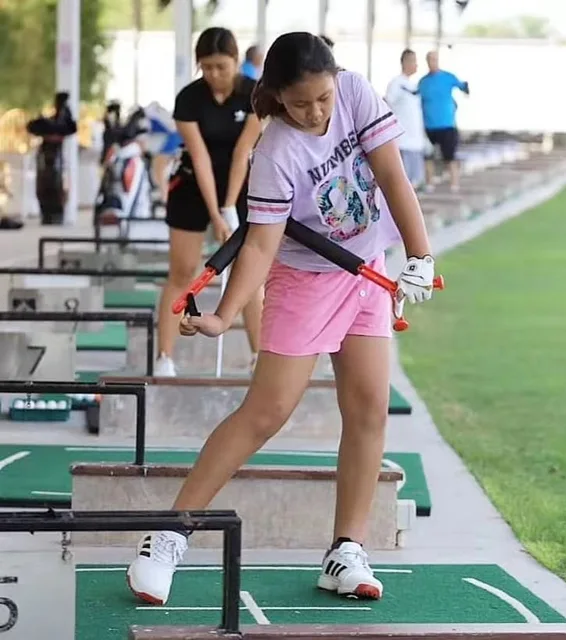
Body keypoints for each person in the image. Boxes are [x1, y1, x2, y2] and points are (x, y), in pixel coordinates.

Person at [126, 31, 435, 605]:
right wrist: (223, 316)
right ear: (275, 96)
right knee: (266, 411)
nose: (315, 112)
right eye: (300, 103)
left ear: (335, 80)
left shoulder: (357, 94)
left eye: (322, 98)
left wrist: (419, 255)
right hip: (303, 283)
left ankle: (346, 549)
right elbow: (263, 248)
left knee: (368, 407)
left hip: (363, 271)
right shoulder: (273, 152)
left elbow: (393, 176)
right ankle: (168, 535)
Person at [154, 27, 264, 376]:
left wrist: (229, 207)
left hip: (243, 185)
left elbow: (242, 152)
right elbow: (199, 157)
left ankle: (258, 357)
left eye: (222, 66)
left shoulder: (256, 95)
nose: (215, 74)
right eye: (207, 67)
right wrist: (216, 215)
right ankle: (165, 357)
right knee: (183, 271)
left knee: (249, 274)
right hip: (191, 185)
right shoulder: (189, 98)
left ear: (236, 61)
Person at [417, 50, 469, 192]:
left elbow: (463, 87)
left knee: (450, 156)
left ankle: (454, 184)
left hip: (447, 124)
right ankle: (429, 184)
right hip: (429, 125)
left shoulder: (448, 77)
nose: (432, 62)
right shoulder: (423, 82)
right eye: (429, 60)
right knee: (428, 156)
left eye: (434, 59)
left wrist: (466, 89)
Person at [384, 49, 426, 190]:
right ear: (405, 62)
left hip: (416, 140)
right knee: (404, 181)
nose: (416, 65)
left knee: (415, 180)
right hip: (403, 140)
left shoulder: (413, 85)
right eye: (413, 61)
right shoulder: (396, 84)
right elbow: (387, 104)